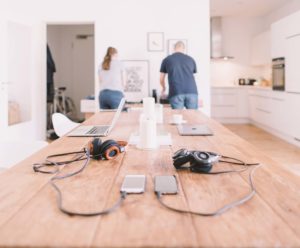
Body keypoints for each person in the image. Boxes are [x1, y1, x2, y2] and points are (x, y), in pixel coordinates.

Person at [160, 41, 198, 109]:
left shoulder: (167, 59)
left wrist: (163, 88)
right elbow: (193, 77)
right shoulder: (191, 59)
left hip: (176, 92)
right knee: (193, 116)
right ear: (184, 49)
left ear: (174, 48)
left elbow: (161, 78)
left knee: (177, 117)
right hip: (192, 92)